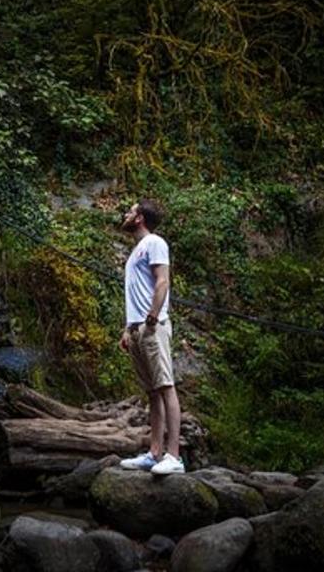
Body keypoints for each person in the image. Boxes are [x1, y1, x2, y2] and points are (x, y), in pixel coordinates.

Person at [117, 198, 184, 474]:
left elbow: (162, 281)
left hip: (152, 326)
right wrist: (128, 328)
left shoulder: (155, 243)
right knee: (152, 392)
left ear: (140, 218)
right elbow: (136, 294)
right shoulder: (136, 251)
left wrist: (153, 318)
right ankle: (154, 453)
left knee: (165, 386)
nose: (126, 213)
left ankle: (174, 456)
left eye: (131, 211)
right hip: (137, 329)